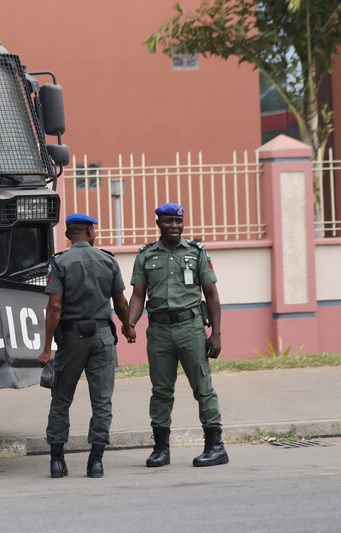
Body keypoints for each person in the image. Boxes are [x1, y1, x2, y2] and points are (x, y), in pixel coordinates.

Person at [127, 203, 229, 468]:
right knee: (161, 391)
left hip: (191, 329)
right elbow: (138, 295)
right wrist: (130, 323)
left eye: (178, 221)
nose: (174, 226)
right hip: (159, 331)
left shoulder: (196, 253)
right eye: (169, 221)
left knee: (203, 388)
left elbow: (212, 295)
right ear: (158, 223)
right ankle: (161, 449)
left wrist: (215, 334)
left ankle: (215, 447)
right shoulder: (146, 255)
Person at [38, 214, 134, 479]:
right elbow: (121, 303)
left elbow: (54, 308)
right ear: (90, 231)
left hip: (71, 339)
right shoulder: (108, 260)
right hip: (103, 336)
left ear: (69, 236)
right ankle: (96, 462)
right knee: (101, 401)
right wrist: (127, 327)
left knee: (61, 399)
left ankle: (57, 462)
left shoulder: (59, 263)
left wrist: (47, 348)